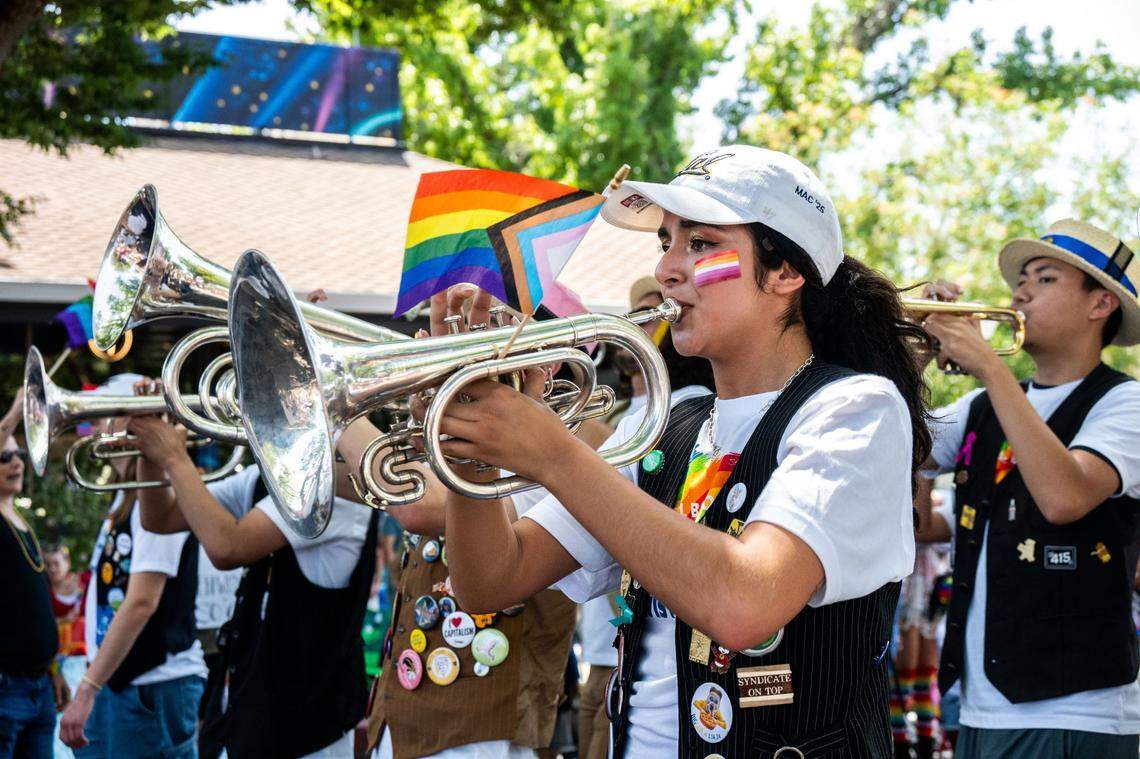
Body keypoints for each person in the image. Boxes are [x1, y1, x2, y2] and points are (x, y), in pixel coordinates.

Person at [434, 145, 932, 757]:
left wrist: (553, 454)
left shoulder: (856, 409)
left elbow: (746, 601)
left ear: (784, 273)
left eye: (700, 244)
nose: (668, 269)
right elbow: (490, 579)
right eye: (666, 242)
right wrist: (469, 447)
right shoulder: (665, 425)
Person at [917, 218, 1140, 758]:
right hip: (977, 705)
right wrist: (914, 358)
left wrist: (989, 367)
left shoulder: (1124, 403)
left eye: (1044, 279)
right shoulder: (981, 406)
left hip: (1077, 713)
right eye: (1022, 278)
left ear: (1100, 305)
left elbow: (1065, 497)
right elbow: (907, 474)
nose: (1020, 291)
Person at [129, 413, 379, 759]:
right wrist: (151, 453)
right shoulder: (267, 480)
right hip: (252, 718)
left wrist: (173, 456)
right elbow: (160, 518)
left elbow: (227, 547)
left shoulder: (337, 493)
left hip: (306, 734)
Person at [579, 276, 714, 759]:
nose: (657, 316)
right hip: (611, 644)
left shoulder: (621, 424)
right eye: (643, 309)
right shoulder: (621, 420)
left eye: (662, 307)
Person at [58, 376, 207, 759]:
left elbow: (142, 600)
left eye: (115, 414)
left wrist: (88, 686)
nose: (103, 427)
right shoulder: (123, 495)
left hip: (150, 686)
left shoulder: (158, 490)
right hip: (124, 683)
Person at [0, 389, 69, 759]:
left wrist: (53, 668)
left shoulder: (20, 520)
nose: (17, 462)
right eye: (4, 456)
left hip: (39, 686)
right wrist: (15, 414)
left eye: (19, 454)